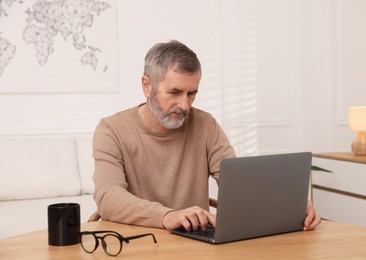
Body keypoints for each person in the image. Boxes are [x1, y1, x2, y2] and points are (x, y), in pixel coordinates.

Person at [92, 40, 321, 232]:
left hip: (194, 244)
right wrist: (166, 216)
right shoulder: (111, 130)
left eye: (192, 93)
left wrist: (290, 205)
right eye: (175, 92)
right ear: (146, 85)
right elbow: (108, 197)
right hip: (138, 243)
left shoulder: (205, 125)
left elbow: (240, 185)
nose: (184, 104)